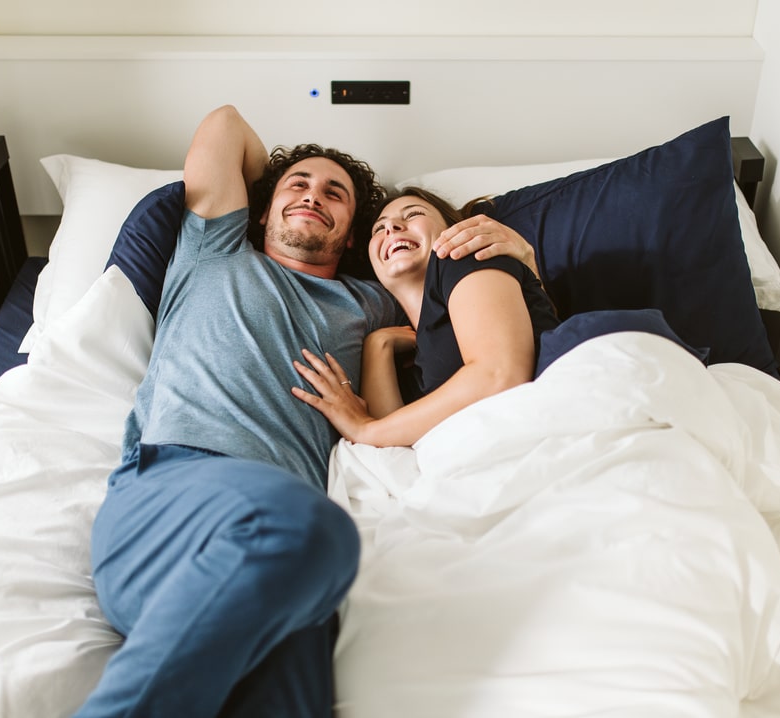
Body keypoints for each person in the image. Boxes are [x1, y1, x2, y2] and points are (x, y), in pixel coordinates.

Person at [76, 106, 537, 717]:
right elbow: (224, 125)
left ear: (353, 237)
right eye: (299, 186)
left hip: (281, 576)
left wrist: (519, 254)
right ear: (261, 209)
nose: (314, 196)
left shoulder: (369, 302)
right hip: (170, 497)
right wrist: (287, 181)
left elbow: (465, 319)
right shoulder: (213, 251)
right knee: (311, 529)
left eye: (335, 195)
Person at [292, 186, 558, 448]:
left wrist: (365, 428)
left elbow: (500, 375)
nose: (391, 227)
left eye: (413, 214)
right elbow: (393, 451)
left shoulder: (464, 255)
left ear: (452, 228)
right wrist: (378, 345)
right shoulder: (411, 363)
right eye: (378, 228)